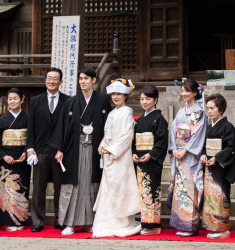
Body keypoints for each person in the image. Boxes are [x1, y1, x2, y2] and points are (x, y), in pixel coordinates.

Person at [51, 67, 109, 235]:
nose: (82, 81)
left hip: (95, 148)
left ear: (94, 80)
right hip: (73, 150)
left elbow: (108, 127)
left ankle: (89, 222)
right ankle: (69, 223)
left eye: (86, 78)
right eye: (80, 78)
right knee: (73, 184)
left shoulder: (103, 102)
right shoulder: (70, 102)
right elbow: (61, 127)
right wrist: (59, 149)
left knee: (91, 183)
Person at [92, 78, 141, 238]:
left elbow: (128, 135)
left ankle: (122, 223)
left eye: (119, 94)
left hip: (120, 156)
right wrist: (102, 144)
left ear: (125, 95)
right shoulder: (112, 113)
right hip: (109, 154)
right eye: (113, 94)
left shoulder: (127, 112)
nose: (115, 97)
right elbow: (108, 134)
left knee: (120, 186)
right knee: (108, 187)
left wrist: (111, 149)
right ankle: (106, 222)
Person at [26, 67, 68, 232]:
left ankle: (60, 219)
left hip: (59, 151)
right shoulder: (36, 100)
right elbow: (31, 127)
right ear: (45, 80)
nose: (51, 81)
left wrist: (62, 148)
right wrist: (30, 148)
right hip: (40, 150)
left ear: (61, 81)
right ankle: (38, 221)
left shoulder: (68, 100)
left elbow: (68, 128)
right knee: (38, 187)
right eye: (49, 78)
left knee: (60, 188)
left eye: (55, 78)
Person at [167, 78, 207, 236]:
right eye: (182, 91)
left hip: (190, 156)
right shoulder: (180, 111)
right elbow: (173, 130)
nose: (183, 94)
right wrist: (174, 148)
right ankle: (181, 224)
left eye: (187, 91)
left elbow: (198, 134)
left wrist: (186, 150)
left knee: (189, 189)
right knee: (179, 190)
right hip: (179, 154)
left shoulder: (199, 112)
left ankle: (190, 225)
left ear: (195, 93)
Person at [200, 93, 235, 239]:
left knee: (221, 194)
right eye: (208, 108)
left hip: (220, 167)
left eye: (212, 108)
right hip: (210, 165)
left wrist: (217, 158)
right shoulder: (209, 127)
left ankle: (223, 228)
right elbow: (205, 145)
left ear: (221, 109)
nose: (209, 111)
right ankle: (213, 226)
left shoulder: (227, 127)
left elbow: (230, 147)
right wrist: (204, 154)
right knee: (211, 195)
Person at [0, 87, 30, 231]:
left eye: (16, 98)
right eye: (10, 99)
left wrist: (26, 151)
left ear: (21, 100)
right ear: (7, 101)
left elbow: (31, 138)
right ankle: (7, 221)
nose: (13, 101)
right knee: (7, 191)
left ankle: (20, 221)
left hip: (22, 159)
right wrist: (4, 155)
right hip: (6, 160)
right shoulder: (2, 120)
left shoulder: (27, 119)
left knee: (21, 189)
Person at [132, 85, 168, 235]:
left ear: (156, 100)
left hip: (151, 161)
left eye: (148, 99)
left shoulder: (159, 119)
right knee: (142, 191)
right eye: (142, 99)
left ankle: (153, 225)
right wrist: (133, 153)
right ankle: (145, 222)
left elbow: (161, 141)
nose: (144, 102)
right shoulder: (140, 120)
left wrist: (152, 154)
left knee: (151, 190)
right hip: (140, 160)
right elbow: (133, 140)